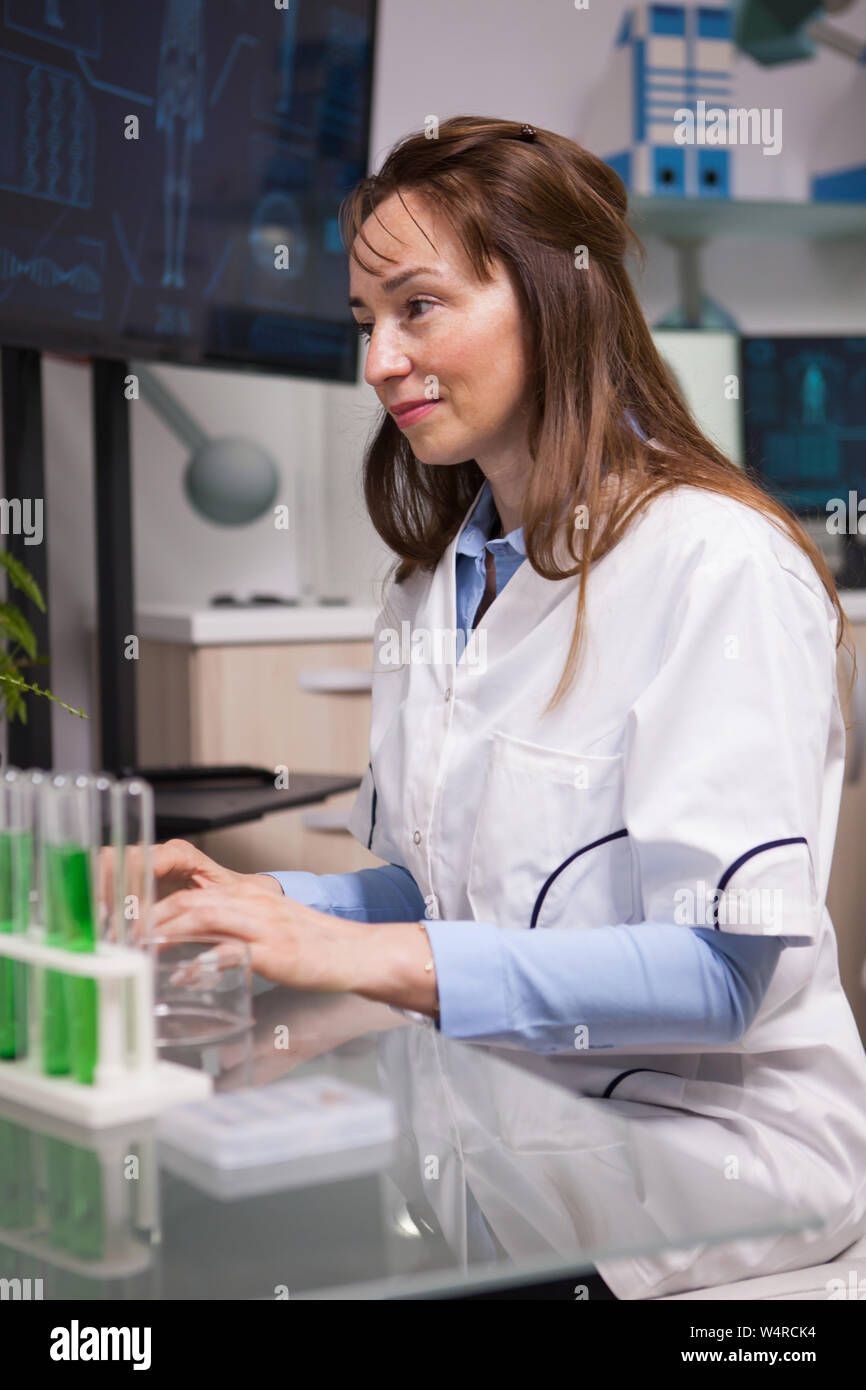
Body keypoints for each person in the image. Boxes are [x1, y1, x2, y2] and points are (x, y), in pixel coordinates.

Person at [151, 116, 866, 1298]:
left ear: (553, 300)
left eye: (417, 307)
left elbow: (716, 978)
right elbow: (449, 888)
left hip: (707, 1171)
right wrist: (263, 903)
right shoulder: (439, 584)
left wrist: (363, 952)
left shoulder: (715, 565)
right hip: (507, 1135)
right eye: (363, 325)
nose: (379, 360)